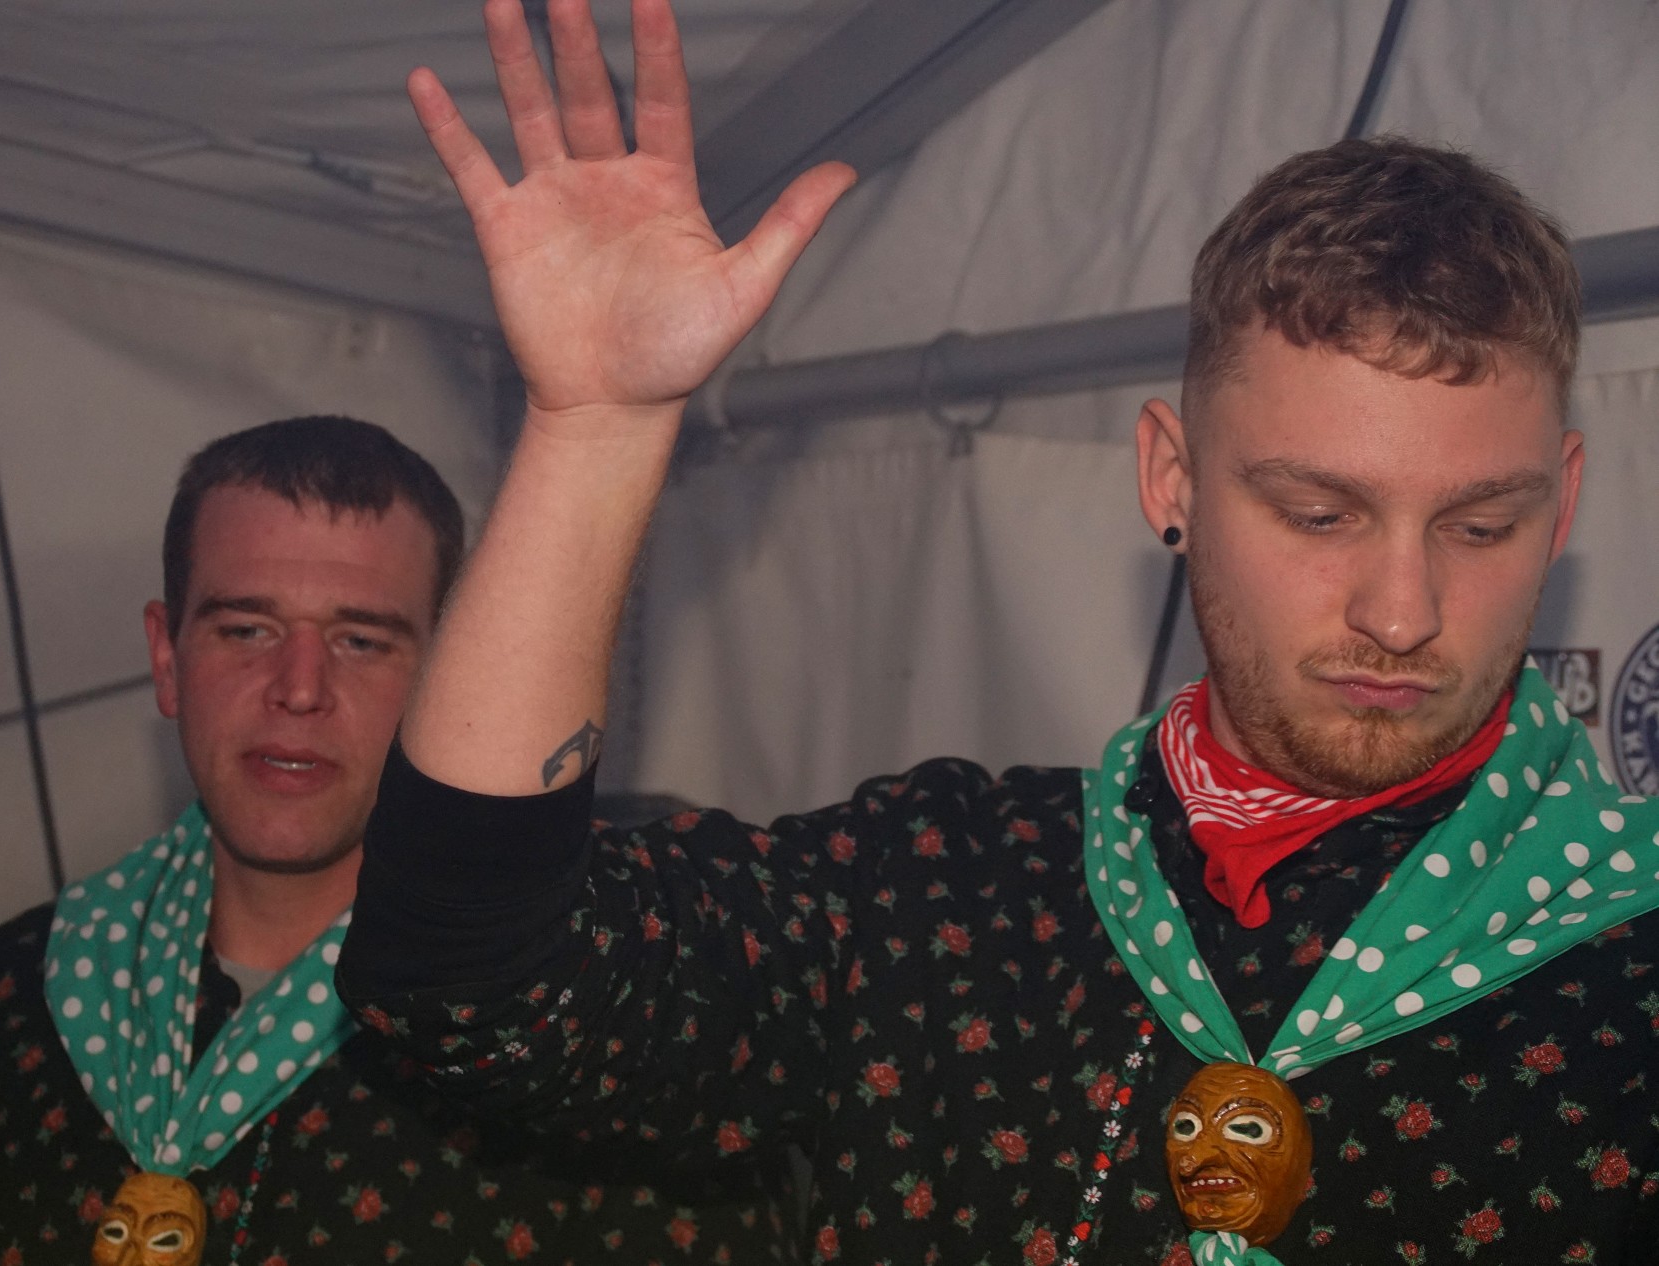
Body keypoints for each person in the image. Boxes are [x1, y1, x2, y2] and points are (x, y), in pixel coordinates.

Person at [335, 1, 1659, 1263]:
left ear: (1563, 504)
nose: (1402, 610)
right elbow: (466, 985)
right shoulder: (948, 893)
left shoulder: (1629, 954)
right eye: (1319, 513)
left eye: (1481, 525)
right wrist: (593, 430)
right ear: (1172, 479)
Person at [0, 416, 795, 1264]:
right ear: (166, 658)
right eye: (246, 629)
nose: (300, 689)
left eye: (361, 639)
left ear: (450, 681)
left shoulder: (575, 1049)